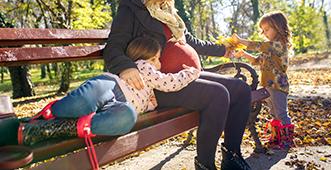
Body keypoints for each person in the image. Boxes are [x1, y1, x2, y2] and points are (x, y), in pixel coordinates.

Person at [103, 0, 252, 170]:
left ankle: (232, 155)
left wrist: (222, 50)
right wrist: (126, 67)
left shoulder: (168, 11)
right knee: (218, 94)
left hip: (183, 76)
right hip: (158, 84)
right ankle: (205, 164)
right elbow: (114, 46)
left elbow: (189, 41)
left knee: (241, 89)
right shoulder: (132, 7)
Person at [18, 36, 200, 145]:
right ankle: (47, 117)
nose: (159, 64)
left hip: (121, 105)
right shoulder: (143, 66)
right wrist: (191, 73)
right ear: (146, 58)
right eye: (157, 59)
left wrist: (150, 103)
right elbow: (170, 82)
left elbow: (148, 99)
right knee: (78, 105)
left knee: (127, 117)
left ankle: (54, 128)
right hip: (109, 86)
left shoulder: (150, 90)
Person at [232, 11, 294, 149]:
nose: (265, 33)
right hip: (268, 85)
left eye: (267, 29)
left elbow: (258, 45)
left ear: (278, 27)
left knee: (281, 113)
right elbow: (256, 61)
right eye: (263, 30)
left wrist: (241, 41)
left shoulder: (278, 45)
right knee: (273, 113)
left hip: (278, 86)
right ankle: (277, 138)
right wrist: (243, 53)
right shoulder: (269, 48)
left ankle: (287, 140)